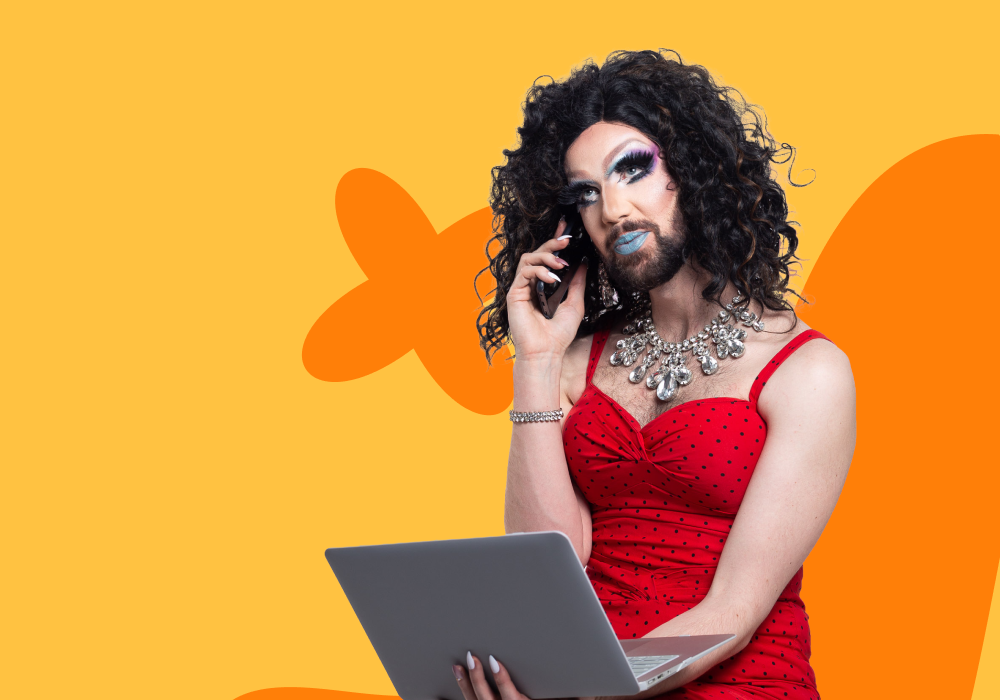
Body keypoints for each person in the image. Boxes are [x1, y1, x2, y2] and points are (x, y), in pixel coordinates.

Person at [463, 50, 856, 700]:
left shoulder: (807, 372)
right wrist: (534, 361)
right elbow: (550, 567)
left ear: (696, 173)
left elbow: (733, 612)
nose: (612, 209)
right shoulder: (572, 361)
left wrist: (579, 691)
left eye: (632, 170)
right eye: (586, 192)